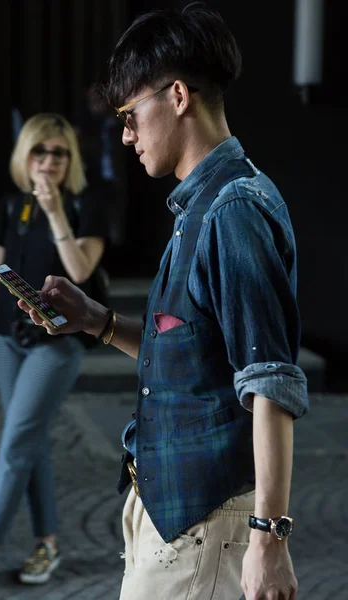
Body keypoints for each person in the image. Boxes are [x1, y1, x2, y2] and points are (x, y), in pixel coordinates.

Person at [18, 6, 309, 600]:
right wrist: (95, 321)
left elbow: (271, 380)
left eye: (130, 114)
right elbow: (192, 352)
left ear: (177, 96)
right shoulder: (200, 208)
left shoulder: (232, 212)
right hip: (173, 512)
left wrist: (268, 540)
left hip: (208, 522)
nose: (125, 133)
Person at [0, 113, 108, 585]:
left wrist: (55, 208)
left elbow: (81, 272)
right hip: (5, 338)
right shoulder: (11, 205)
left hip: (55, 341)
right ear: (25, 155)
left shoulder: (86, 204)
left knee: (17, 440)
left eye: (59, 152)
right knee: (30, 438)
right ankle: (49, 543)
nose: (49, 161)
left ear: (70, 158)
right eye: (40, 151)